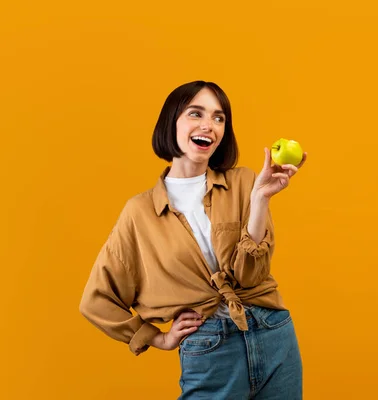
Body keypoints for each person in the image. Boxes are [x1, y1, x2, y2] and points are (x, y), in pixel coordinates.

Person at [79, 80, 306, 399]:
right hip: (209, 346)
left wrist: (260, 200)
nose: (208, 126)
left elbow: (249, 275)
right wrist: (156, 338)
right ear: (171, 121)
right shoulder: (140, 213)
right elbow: (96, 299)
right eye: (195, 113)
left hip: (274, 332)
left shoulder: (244, 183)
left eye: (218, 118)